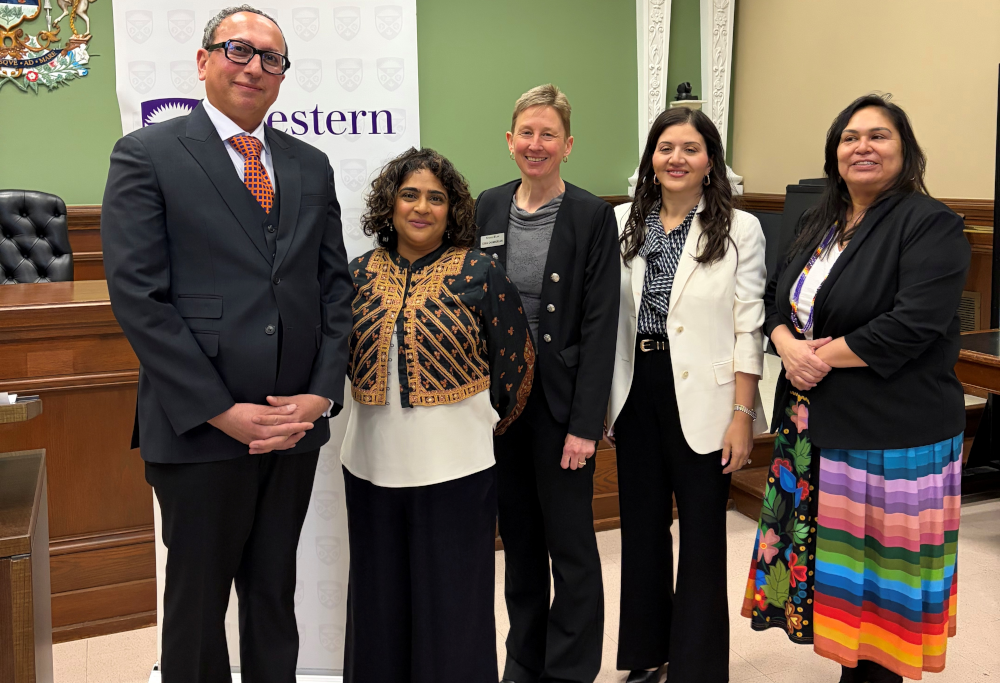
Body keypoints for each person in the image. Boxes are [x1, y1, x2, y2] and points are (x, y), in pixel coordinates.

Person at [101, 7, 353, 682]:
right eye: (238, 50)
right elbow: (138, 298)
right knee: (196, 605)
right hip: (197, 431)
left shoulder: (309, 164)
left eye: (272, 58)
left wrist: (321, 394)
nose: (255, 67)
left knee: (274, 595)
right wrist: (220, 408)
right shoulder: (146, 154)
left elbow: (336, 290)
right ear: (203, 59)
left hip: (292, 427)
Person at [741, 94, 969, 683]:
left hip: (890, 433)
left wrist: (818, 359)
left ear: (905, 150)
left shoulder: (930, 223)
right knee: (837, 579)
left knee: (879, 586)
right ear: (834, 154)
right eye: (849, 137)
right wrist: (786, 343)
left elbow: (912, 324)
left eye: (879, 136)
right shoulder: (821, 221)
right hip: (813, 426)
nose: (862, 146)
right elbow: (776, 297)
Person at [341, 147, 533, 683]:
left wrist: (475, 424)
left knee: (454, 602)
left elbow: (515, 363)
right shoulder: (355, 275)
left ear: (452, 211)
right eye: (409, 194)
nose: (421, 207)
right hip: (371, 466)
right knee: (377, 600)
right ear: (390, 204)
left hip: (458, 470)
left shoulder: (481, 272)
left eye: (436, 197)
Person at [605, 107, 767, 683]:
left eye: (691, 148)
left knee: (702, 534)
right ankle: (647, 655)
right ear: (651, 157)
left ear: (710, 160)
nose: (677, 158)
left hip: (710, 398)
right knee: (642, 529)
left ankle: (697, 668)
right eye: (666, 147)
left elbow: (749, 325)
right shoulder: (622, 220)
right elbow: (606, 317)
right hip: (637, 391)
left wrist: (743, 414)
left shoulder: (739, 227)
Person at [474, 84, 619, 683]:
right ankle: (524, 662)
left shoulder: (590, 216)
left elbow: (600, 321)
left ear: (568, 145)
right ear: (510, 142)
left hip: (561, 410)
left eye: (549, 134)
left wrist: (586, 426)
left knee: (572, 547)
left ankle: (570, 670)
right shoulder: (485, 207)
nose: (537, 144)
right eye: (526, 133)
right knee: (521, 545)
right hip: (500, 408)